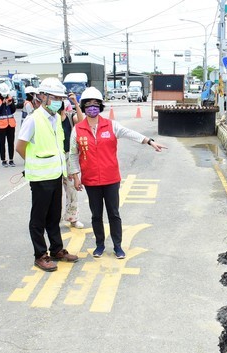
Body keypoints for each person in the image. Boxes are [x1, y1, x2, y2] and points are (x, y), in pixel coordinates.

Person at [69, 87, 166, 259]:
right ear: (83, 107)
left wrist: (149, 141)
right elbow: (73, 154)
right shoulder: (78, 130)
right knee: (96, 215)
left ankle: (117, 246)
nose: (92, 108)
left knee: (114, 214)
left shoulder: (111, 125)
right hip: (91, 180)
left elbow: (130, 133)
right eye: (89, 105)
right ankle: (99, 245)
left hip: (111, 179)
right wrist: (76, 176)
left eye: (96, 104)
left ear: (100, 106)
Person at [15, 77, 79, 272]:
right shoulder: (33, 119)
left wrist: (65, 171)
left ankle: (57, 249)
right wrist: (34, 163)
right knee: (39, 218)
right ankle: (40, 254)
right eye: (54, 97)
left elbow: (59, 147)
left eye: (61, 97)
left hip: (55, 175)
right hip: (40, 179)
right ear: (42, 97)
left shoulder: (56, 119)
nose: (59, 101)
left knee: (53, 216)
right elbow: (20, 147)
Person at [60, 94, 84, 229]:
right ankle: (54, 219)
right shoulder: (51, 119)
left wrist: (76, 103)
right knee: (55, 192)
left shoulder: (70, 116)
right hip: (55, 158)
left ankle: (73, 218)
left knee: (72, 190)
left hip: (69, 156)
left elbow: (81, 122)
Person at [0, 82, 17, 167]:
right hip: (1, 125)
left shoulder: (10, 98)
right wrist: (3, 104)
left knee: (11, 142)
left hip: (10, 124)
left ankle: (11, 159)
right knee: (2, 143)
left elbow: (14, 110)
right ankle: (3, 160)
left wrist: (10, 104)